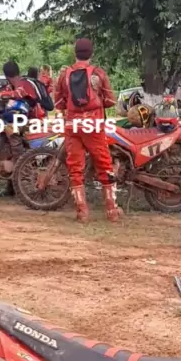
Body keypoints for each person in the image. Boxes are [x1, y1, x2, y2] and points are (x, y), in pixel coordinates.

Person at [55, 38, 121, 223]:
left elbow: (58, 102)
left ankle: (82, 211)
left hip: (72, 125)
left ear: (74, 53)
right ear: (91, 53)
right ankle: (112, 210)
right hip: (93, 125)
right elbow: (110, 101)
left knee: (75, 167)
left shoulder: (64, 75)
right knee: (104, 164)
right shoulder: (98, 74)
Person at [0, 60, 49, 195]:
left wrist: (1, 95)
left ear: (7, 75)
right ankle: (10, 186)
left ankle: (21, 167)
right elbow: (3, 94)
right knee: (1, 135)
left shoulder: (25, 84)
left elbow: (18, 94)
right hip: (21, 120)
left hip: (33, 121)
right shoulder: (11, 86)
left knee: (11, 132)